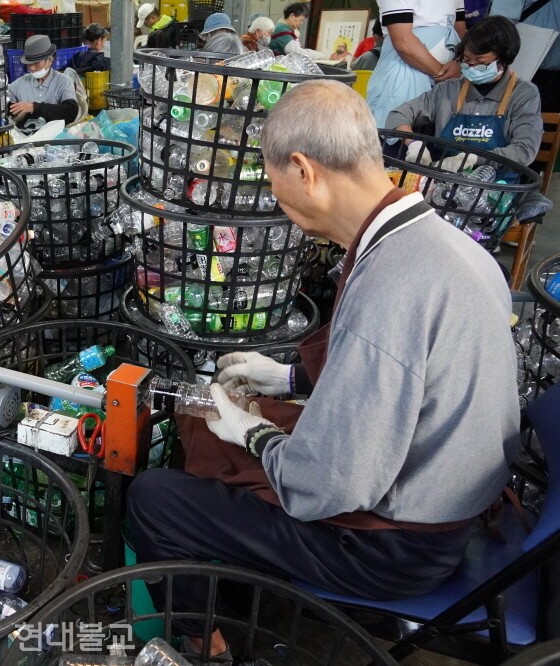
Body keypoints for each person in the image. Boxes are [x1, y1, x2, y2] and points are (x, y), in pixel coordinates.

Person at [125, 80, 518, 660]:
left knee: (156, 497)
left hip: (397, 550)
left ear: (304, 170)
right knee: (206, 431)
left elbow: (328, 485)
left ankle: (205, 645)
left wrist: (255, 433)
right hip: (452, 500)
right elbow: (405, 367)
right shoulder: (444, 245)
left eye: (276, 188)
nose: (280, 204)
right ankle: (230, 574)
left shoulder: (392, 285)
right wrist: (286, 379)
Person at [388, 15, 543, 169]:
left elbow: (524, 150)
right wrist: (413, 143)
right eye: (467, 61)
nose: (473, 67)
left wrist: (474, 159)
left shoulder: (524, 94)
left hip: (495, 186)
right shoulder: (448, 89)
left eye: (481, 63)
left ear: (504, 59)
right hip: (442, 180)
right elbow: (398, 115)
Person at [366, 0, 467, 128]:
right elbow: (403, 41)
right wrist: (442, 73)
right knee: (400, 129)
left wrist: (459, 62)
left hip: (447, 79)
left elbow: (460, 29)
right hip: (405, 72)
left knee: (437, 137)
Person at [7, 35, 79, 130]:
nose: (31, 68)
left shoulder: (64, 82)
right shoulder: (21, 83)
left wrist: (35, 107)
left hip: (54, 138)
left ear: (49, 61)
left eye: (36, 63)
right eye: (29, 64)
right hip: (25, 136)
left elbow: (70, 111)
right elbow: (4, 102)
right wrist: (14, 111)